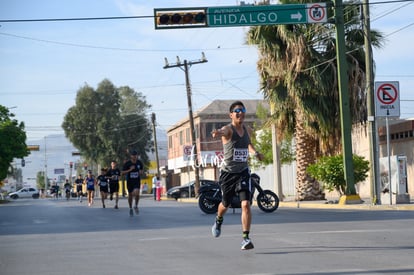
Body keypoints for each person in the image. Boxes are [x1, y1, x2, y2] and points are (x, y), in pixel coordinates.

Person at [210, 101, 264, 250]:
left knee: (245, 204)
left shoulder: (247, 129)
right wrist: (217, 133)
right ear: (231, 115)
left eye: (242, 110)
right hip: (228, 173)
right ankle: (218, 220)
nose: (240, 112)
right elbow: (222, 131)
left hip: (243, 172)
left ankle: (245, 238)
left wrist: (255, 153)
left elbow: (248, 144)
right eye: (237, 111)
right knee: (225, 204)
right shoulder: (228, 129)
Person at [122, 150, 144, 216]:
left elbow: (142, 170)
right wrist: (130, 170)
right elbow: (122, 173)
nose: (134, 157)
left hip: (136, 181)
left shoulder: (139, 163)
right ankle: (130, 208)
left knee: (137, 192)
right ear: (131, 156)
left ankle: (136, 205)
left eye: (135, 155)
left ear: (137, 156)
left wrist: (141, 172)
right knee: (130, 195)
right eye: (133, 155)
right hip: (129, 182)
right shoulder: (127, 163)